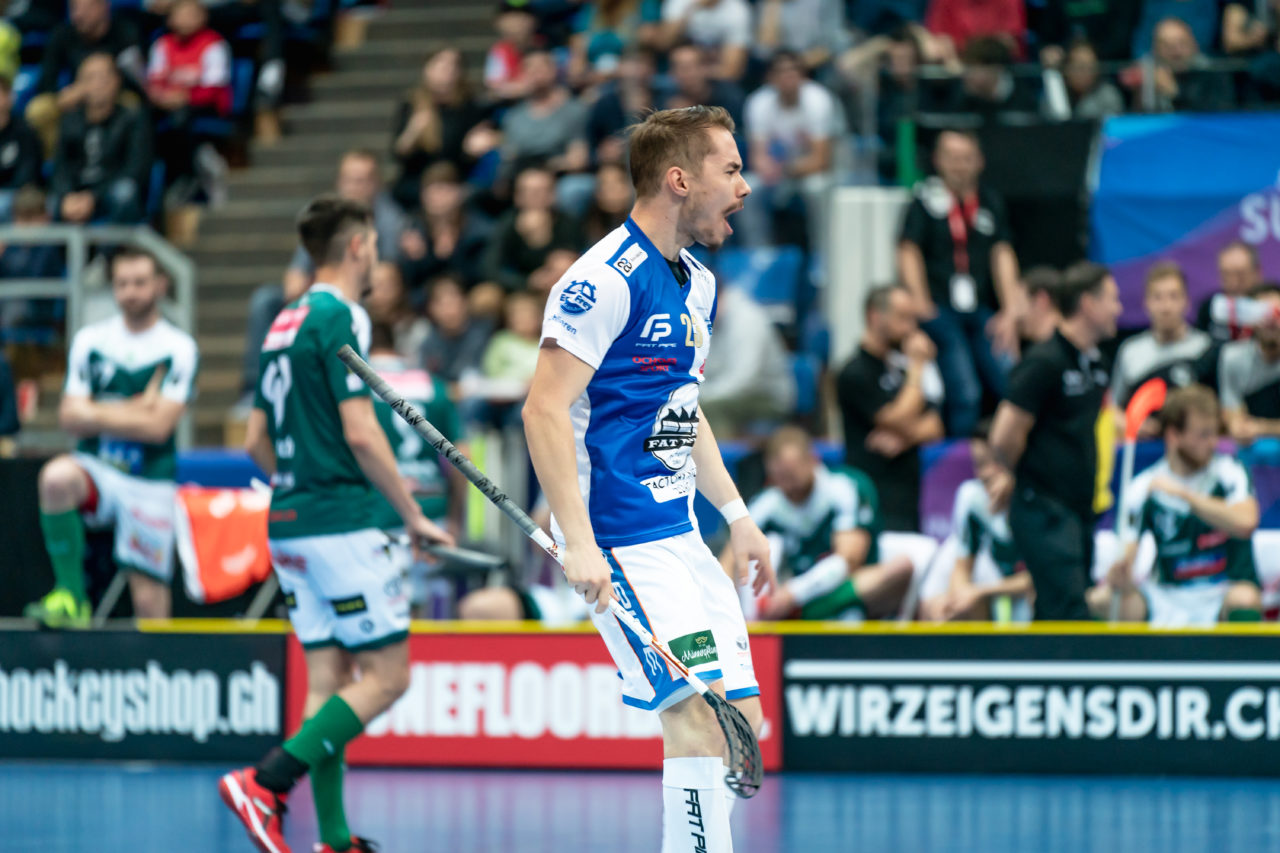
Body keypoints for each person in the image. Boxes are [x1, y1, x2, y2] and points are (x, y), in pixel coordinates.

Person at [522, 105, 772, 852]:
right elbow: (543, 409)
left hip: (684, 535)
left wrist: (737, 512)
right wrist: (581, 541)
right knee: (694, 719)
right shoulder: (602, 280)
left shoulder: (697, 283)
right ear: (678, 179)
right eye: (730, 169)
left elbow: (683, 411)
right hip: (623, 541)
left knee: (741, 725)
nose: (745, 187)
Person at [222, 195, 453, 853]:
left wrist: (299, 487)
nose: (377, 255)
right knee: (388, 677)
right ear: (357, 246)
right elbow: (360, 432)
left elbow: (255, 441)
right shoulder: (340, 313)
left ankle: (333, 838)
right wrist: (410, 514)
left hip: (289, 520)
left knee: (328, 683)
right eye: (374, 245)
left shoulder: (281, 321)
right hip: (342, 521)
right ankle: (265, 782)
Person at [23, 248, 197, 627]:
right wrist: (139, 407)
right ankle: (71, 595)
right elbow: (69, 417)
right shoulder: (91, 340)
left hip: (148, 478)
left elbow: (159, 429)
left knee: (150, 601)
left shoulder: (178, 347)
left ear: (160, 285)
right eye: (122, 284)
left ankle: (156, 676)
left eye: (139, 282)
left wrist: (96, 412)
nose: (131, 292)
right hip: (96, 467)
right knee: (55, 478)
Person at [988, 261, 1122, 620]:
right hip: (1044, 507)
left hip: (1079, 509)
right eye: (1112, 299)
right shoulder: (1044, 362)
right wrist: (1021, 476)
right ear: (1088, 304)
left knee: (1055, 608)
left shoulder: (1096, 365)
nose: (1119, 309)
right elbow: (1003, 435)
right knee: (1070, 611)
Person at [1087, 385, 1263, 625]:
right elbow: (1128, 550)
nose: (1212, 442)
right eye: (1202, 434)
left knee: (1245, 598)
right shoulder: (1144, 486)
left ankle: (1245, 663)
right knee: (1101, 600)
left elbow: (1246, 522)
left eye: (1214, 433)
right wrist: (1122, 574)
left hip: (1222, 591)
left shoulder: (1229, 471)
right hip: (1167, 594)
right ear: (1174, 435)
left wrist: (1186, 496)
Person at [898, 130, 1022, 437]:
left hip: (981, 309)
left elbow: (1002, 252)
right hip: (941, 310)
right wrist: (921, 301)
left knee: (1012, 381)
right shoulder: (924, 200)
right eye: (952, 158)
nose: (959, 166)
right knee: (965, 391)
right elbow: (908, 249)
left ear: (979, 161)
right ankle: (959, 459)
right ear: (938, 160)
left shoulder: (989, 201)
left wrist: (1010, 310)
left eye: (966, 158)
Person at [737, 426, 913, 621]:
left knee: (900, 568)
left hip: (843, 588)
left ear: (813, 460)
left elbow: (848, 561)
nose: (788, 487)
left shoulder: (846, 487)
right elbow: (732, 558)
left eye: (792, 475)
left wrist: (793, 594)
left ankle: (801, 613)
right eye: (779, 478)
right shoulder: (765, 503)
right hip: (778, 599)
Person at [366, 321, 464, 617]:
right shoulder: (433, 384)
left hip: (377, 509)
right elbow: (461, 457)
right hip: (431, 507)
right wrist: (456, 515)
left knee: (383, 612)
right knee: (423, 610)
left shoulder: (355, 383)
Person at [836, 283, 945, 533]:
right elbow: (897, 418)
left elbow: (936, 426)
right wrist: (918, 366)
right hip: (872, 500)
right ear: (875, 316)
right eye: (902, 318)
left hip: (907, 497)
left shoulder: (900, 371)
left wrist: (905, 440)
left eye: (912, 319)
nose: (911, 328)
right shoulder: (854, 372)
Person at [919, 422, 1033, 622]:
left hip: (1030, 598)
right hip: (994, 591)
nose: (986, 472)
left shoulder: (1035, 497)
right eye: (979, 464)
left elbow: (1044, 578)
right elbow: (961, 567)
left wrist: (981, 591)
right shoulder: (972, 496)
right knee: (941, 606)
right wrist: (957, 601)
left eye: (994, 461)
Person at [740, 51, 838, 251]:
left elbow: (821, 160)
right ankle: (759, 254)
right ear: (771, 77)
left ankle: (823, 256)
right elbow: (757, 155)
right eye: (781, 72)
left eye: (793, 71)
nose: (787, 77)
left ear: (803, 75)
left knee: (816, 188)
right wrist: (767, 167)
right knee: (747, 189)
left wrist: (784, 170)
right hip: (779, 173)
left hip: (811, 172)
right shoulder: (758, 103)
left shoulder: (818, 100)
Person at [25, 0, 144, 155]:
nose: (78, 15)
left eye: (86, 8)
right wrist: (64, 96)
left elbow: (138, 82)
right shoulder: (62, 34)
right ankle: (57, 163)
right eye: (74, 8)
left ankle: (121, 159)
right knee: (39, 109)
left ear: (103, 7)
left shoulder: (124, 32)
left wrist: (104, 89)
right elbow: (46, 82)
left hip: (115, 96)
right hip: (77, 97)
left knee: (133, 104)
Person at [145, 0, 232, 204]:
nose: (186, 19)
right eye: (181, 13)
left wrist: (184, 96)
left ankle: (188, 176)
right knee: (143, 115)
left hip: (205, 106)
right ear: (171, 18)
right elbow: (154, 79)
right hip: (169, 104)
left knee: (181, 117)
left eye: (191, 13)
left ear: (203, 16)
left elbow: (214, 86)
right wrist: (162, 97)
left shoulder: (214, 43)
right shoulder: (163, 44)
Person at [50, 53, 151, 225]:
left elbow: (135, 170)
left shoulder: (132, 120)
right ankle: (58, 252)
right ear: (79, 85)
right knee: (47, 203)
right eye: (89, 78)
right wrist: (67, 195)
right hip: (77, 193)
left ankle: (106, 253)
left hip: (109, 191)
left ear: (116, 81)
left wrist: (94, 196)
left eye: (103, 78)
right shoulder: (70, 121)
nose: (97, 85)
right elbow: (61, 167)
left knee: (125, 192)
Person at [391, 47, 495, 210]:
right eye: (441, 65)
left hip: (456, 180)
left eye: (454, 66)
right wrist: (412, 133)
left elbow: (470, 155)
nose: (448, 71)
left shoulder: (469, 107)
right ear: (427, 69)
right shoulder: (412, 104)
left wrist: (472, 150)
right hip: (418, 182)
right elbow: (398, 155)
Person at [1110, 261, 1211, 425]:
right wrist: (1132, 423)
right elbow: (1112, 409)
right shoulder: (1130, 351)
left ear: (1187, 301)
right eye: (1157, 297)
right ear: (1146, 303)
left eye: (1173, 296)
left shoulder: (1206, 348)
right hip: (1145, 448)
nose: (1166, 307)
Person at [699, 279, 796, 437]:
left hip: (767, 397)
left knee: (711, 409)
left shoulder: (748, 320)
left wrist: (701, 396)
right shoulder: (708, 320)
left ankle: (719, 459)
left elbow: (743, 381)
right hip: (732, 393)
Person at [289, 150, 411, 275]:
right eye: (348, 180)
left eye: (361, 181)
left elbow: (386, 275)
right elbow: (297, 275)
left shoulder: (391, 220)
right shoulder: (322, 217)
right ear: (338, 182)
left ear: (377, 183)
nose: (353, 189)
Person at [483, 165, 583, 293]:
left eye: (542, 190)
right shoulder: (507, 223)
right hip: (519, 289)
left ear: (553, 195)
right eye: (529, 191)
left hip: (560, 287)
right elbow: (490, 267)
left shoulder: (567, 222)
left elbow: (578, 260)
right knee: (486, 294)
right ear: (517, 196)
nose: (535, 196)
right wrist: (527, 282)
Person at [497, 50, 589, 187]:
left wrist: (547, 166)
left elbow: (578, 159)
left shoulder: (574, 110)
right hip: (521, 178)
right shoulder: (513, 116)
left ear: (553, 71)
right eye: (529, 69)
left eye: (540, 68)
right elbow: (508, 156)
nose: (535, 74)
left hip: (559, 177)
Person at [1128, 17, 1234, 112]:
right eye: (1166, 45)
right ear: (1155, 50)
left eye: (1181, 43)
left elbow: (1217, 118)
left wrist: (1174, 94)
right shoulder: (1148, 75)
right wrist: (1139, 92)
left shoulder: (1213, 73)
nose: (1176, 52)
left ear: (1194, 45)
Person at [1219, 283, 1280, 446]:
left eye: (1277, 313)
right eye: (1263, 314)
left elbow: (1256, 428)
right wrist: (1237, 426)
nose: (1271, 321)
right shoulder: (1232, 357)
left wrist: (1261, 427)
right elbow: (1232, 413)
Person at [419, 273, 495, 387]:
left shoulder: (483, 336)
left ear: (465, 302)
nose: (449, 310)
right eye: (442, 304)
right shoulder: (428, 343)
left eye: (453, 301)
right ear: (431, 309)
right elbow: (425, 381)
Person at [658, 0, 751, 81]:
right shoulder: (680, 2)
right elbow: (663, 43)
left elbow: (732, 70)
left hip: (714, 80)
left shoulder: (738, 10)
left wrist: (695, 73)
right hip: (676, 74)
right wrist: (692, 8)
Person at [1195, 240, 1265, 345]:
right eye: (1226, 275)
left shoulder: (1272, 305)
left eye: (1240, 275)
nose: (1234, 283)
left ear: (1257, 272)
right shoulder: (1209, 308)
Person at [364, 261, 430, 361]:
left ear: (400, 287)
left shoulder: (417, 329)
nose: (377, 293)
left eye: (384, 286)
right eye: (371, 286)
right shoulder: (359, 324)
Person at [0, 75, 43, 223]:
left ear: (9, 98)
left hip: (18, 194)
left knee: (5, 203)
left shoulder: (24, 131)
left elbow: (28, 173)